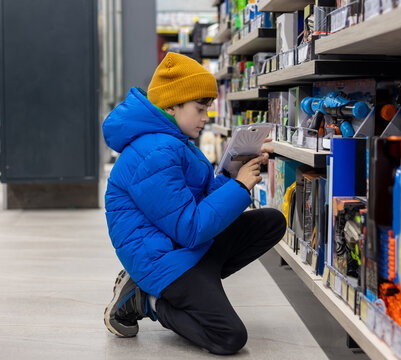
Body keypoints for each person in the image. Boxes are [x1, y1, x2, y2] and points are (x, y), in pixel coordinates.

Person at [101, 52, 287, 355]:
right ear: (173, 106)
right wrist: (240, 185)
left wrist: (230, 172)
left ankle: (202, 284)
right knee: (228, 337)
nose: (205, 117)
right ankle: (145, 301)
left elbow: (196, 202)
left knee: (272, 222)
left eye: (208, 109)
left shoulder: (174, 141)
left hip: (183, 246)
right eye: (200, 109)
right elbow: (190, 227)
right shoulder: (155, 154)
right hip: (163, 260)